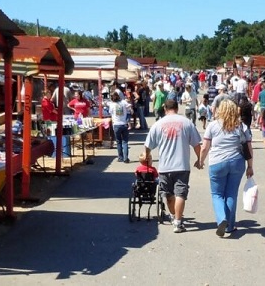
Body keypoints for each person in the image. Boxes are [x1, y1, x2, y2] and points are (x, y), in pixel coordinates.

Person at [197, 99, 254, 237]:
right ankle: (230, 225)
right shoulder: (242, 126)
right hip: (237, 162)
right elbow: (249, 148)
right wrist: (250, 166)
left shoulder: (213, 126)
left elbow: (205, 147)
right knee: (231, 194)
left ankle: (221, 219)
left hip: (217, 163)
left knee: (217, 194)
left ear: (220, 110)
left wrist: (200, 161)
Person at [144, 100, 202, 234]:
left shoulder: (158, 124)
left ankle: (174, 217)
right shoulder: (187, 123)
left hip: (165, 166)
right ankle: (177, 221)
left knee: (169, 195)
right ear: (177, 108)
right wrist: (199, 160)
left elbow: (148, 145)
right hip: (182, 165)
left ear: (165, 108)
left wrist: (148, 157)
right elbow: (196, 145)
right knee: (181, 193)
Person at [108, 91, 132, 162]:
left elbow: (110, 112)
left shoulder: (112, 105)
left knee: (118, 142)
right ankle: (126, 158)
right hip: (124, 124)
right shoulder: (123, 102)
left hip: (116, 125)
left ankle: (120, 157)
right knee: (125, 142)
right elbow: (130, 105)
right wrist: (128, 109)